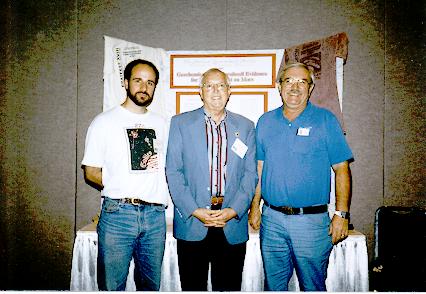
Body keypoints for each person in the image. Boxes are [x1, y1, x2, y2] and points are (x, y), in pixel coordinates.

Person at [249, 62, 354, 291]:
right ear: (279, 86)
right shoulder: (265, 122)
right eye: (289, 81)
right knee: (273, 287)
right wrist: (255, 206)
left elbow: (342, 169)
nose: (295, 87)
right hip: (272, 220)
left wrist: (341, 214)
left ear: (311, 87)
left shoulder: (326, 120)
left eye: (302, 82)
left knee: (312, 287)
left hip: (311, 223)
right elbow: (260, 168)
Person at [166, 68, 257, 291]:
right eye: (209, 85)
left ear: (229, 91)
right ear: (200, 91)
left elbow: (250, 174)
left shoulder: (246, 127)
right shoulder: (180, 124)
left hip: (231, 224)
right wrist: (195, 210)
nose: (215, 90)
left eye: (221, 85)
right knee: (192, 287)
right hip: (193, 222)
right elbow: (173, 172)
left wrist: (234, 210)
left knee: (228, 287)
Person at [82, 59, 169, 291]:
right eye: (138, 80)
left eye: (150, 83)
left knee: (151, 287)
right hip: (118, 215)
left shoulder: (162, 124)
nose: (144, 87)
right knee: (112, 286)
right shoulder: (103, 122)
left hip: (155, 217)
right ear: (125, 82)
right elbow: (90, 171)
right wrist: (120, 185)